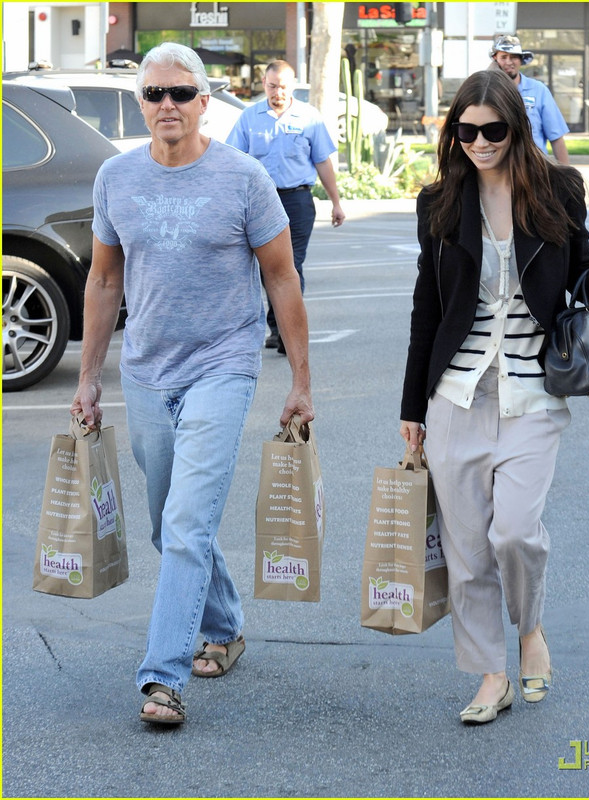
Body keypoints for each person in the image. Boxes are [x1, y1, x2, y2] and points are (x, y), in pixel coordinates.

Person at [70, 42, 314, 726]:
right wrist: (89, 378)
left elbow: (281, 277)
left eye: (181, 93)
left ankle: (162, 676)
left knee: (184, 522)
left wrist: (300, 379)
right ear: (141, 104)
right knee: (170, 525)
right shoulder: (116, 178)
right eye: (154, 95)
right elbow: (103, 279)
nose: (167, 105)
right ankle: (225, 623)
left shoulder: (241, 179)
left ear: (205, 102)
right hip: (146, 370)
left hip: (223, 364)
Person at [399, 69, 589, 725]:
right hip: (455, 394)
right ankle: (489, 675)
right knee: (468, 546)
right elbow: (425, 310)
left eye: (491, 130)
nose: (478, 142)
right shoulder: (439, 202)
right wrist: (411, 408)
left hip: (532, 389)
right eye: (465, 131)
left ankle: (529, 629)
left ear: (514, 127)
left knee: (513, 534)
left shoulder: (556, 192)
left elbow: (580, 272)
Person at [227, 60, 345, 353]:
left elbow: (322, 161)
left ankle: (285, 331)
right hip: (260, 201)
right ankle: (276, 326)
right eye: (271, 86)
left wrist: (336, 202)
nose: (276, 92)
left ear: (292, 86)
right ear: (263, 84)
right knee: (267, 267)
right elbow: (233, 160)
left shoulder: (309, 117)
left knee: (292, 265)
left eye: (282, 86)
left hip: (297, 200)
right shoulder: (249, 117)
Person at [489, 35, 570, 164]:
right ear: (495, 60)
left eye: (514, 57)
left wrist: (567, 178)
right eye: (503, 57)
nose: (509, 62)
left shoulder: (538, 90)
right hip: (500, 169)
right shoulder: (488, 91)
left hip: (535, 168)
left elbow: (556, 137)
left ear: (521, 59)